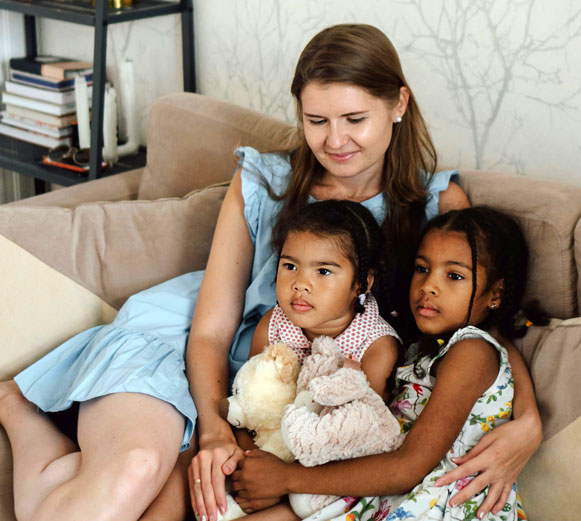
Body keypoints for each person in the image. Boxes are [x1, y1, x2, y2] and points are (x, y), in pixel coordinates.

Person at [0, 23, 540, 521]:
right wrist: (214, 429)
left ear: (398, 104)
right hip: (186, 350)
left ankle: (39, 436)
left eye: (355, 119)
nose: (335, 141)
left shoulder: (437, 201)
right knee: (134, 470)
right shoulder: (263, 182)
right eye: (316, 120)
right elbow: (211, 329)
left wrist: (530, 420)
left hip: (289, 400)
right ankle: (27, 416)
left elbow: (476, 324)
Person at [231, 206, 535, 521]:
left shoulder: (471, 352)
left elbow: (408, 467)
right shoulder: (420, 348)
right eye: (422, 269)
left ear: (495, 293)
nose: (429, 286)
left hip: (440, 506)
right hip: (382, 498)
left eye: (454, 275)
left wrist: (286, 478)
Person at [198, 198, 402, 518]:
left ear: (362, 283)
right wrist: (253, 466)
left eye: (323, 271)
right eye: (290, 266)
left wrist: (282, 482)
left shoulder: (377, 347)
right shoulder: (274, 324)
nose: (300, 285)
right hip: (266, 456)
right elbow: (246, 404)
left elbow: (359, 435)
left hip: (326, 479)